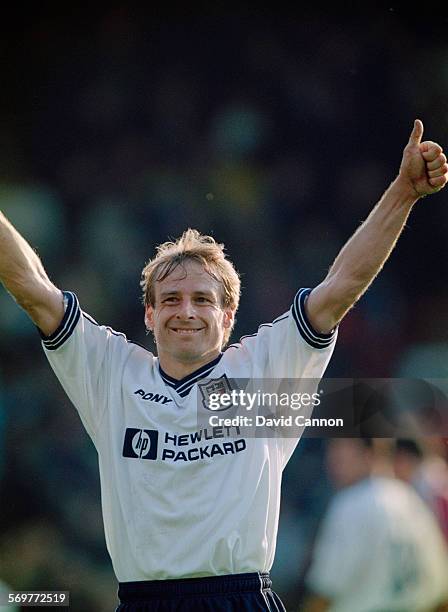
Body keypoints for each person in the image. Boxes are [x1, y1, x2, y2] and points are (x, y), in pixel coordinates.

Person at [0, 120, 446, 611]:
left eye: (201, 300)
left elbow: (341, 285)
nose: (185, 311)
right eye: (170, 299)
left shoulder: (260, 374)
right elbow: (31, 286)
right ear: (149, 314)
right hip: (144, 602)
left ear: (228, 315)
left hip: (241, 599)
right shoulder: (113, 376)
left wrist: (403, 192)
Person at [302, 438, 448, 612]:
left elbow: (324, 590)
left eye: (340, 457)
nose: (332, 465)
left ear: (369, 454)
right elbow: (440, 584)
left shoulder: (350, 503)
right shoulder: (408, 496)